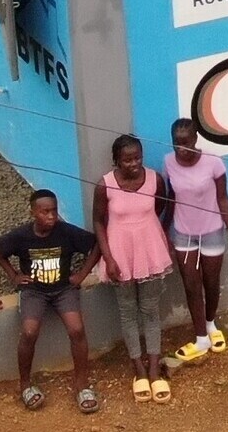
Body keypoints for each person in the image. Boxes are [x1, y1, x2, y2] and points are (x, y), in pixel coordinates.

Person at [0, 189, 102, 414]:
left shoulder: (66, 232)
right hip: (34, 291)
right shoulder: (22, 236)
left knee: (77, 329)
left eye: (54, 211)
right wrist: (14, 275)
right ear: (33, 212)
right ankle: (25, 385)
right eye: (45, 212)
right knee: (30, 332)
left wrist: (81, 274)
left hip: (63, 289)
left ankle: (82, 385)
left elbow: (96, 245)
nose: (51, 216)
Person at [92, 135, 176, 402]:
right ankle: (137, 369)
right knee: (128, 312)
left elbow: (163, 206)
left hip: (150, 252)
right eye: (127, 160)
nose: (134, 164)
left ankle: (154, 370)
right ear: (116, 160)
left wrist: (159, 233)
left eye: (138, 157)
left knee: (150, 311)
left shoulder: (154, 180)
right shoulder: (104, 185)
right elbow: (99, 222)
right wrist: (109, 258)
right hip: (120, 255)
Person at [166, 117, 228, 364]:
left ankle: (211, 325)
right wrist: (163, 230)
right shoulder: (168, 163)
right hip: (183, 233)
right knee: (192, 285)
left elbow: (223, 199)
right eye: (176, 143)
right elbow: (171, 198)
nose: (181, 148)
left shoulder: (214, 163)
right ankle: (201, 339)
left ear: (196, 139)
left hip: (212, 230)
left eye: (186, 142)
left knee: (211, 283)